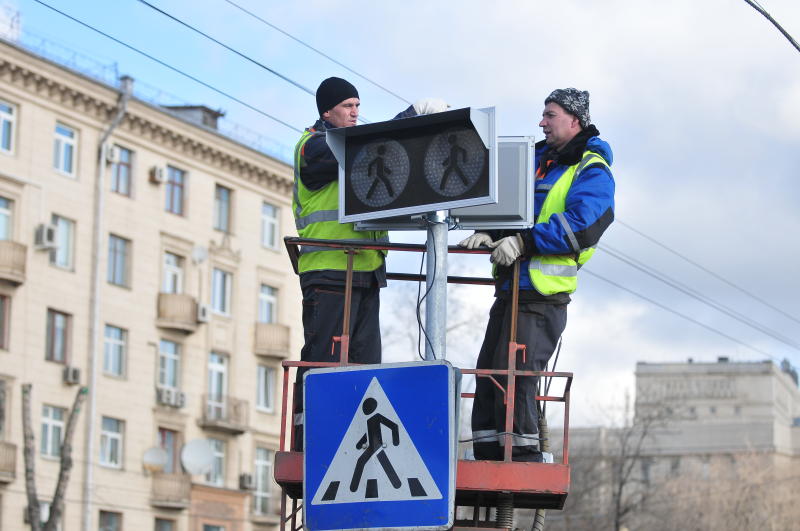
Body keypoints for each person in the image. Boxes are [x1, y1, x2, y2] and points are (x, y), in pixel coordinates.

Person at [460, 88, 615, 462]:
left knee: (516, 378)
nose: (541, 122)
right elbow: (516, 210)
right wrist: (493, 231)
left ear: (574, 121)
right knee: (490, 376)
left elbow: (583, 224)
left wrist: (525, 243)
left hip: (542, 295)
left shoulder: (592, 168)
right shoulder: (537, 162)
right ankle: (488, 458)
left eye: (550, 115)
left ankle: (522, 460)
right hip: (512, 288)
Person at [292, 76, 447, 449]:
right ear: (326, 111)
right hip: (330, 270)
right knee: (323, 363)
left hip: (363, 271)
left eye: (358, 106)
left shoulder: (345, 145)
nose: (355, 113)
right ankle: (309, 439)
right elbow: (359, 150)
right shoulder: (313, 146)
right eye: (348, 106)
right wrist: (409, 117)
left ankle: (358, 441)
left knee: (365, 366)